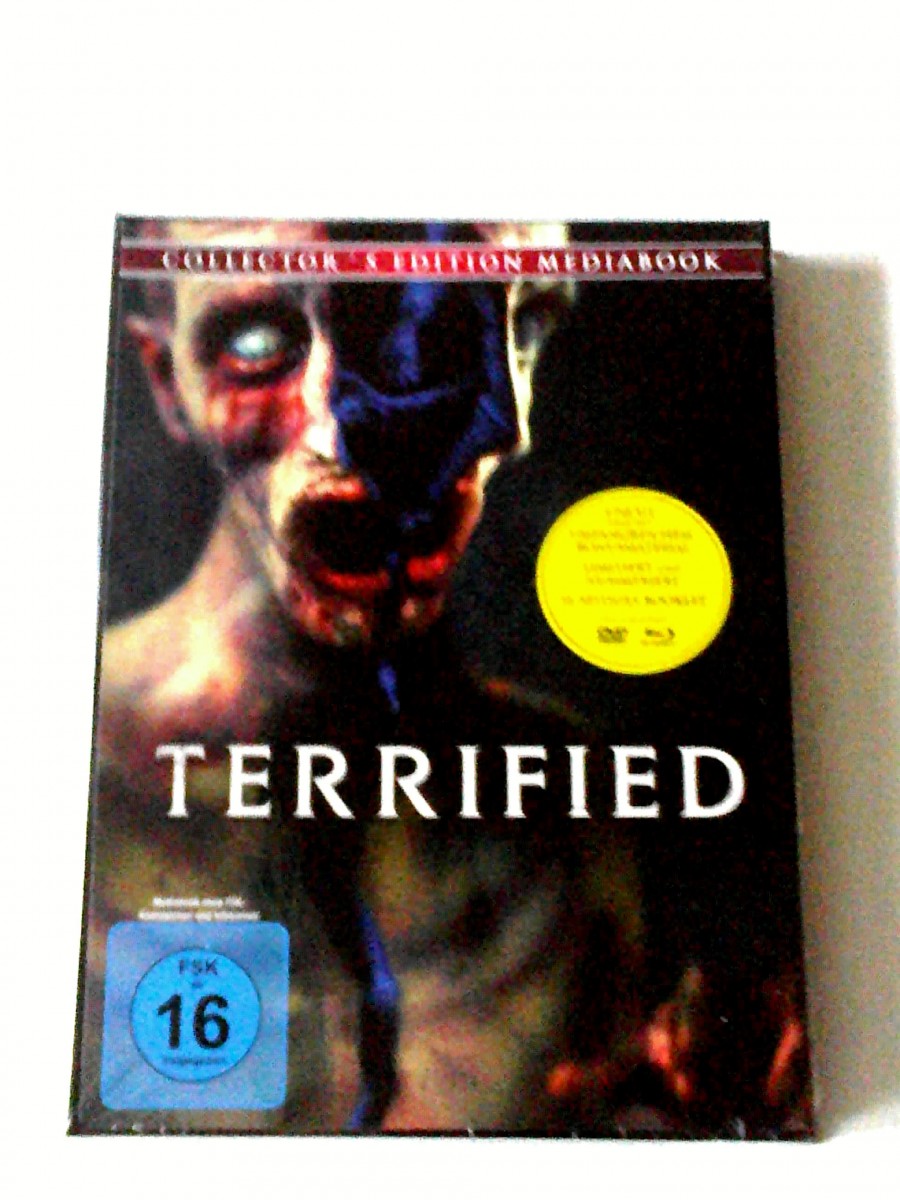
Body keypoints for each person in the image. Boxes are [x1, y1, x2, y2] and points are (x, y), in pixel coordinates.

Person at [86, 220, 642, 1132]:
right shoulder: (59, 770)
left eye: (485, 332)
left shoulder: (584, 824)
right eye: (257, 340)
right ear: (166, 378)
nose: (347, 434)